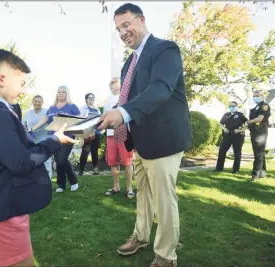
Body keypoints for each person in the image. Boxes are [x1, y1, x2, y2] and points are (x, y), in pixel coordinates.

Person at [0, 49, 77, 267]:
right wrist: (55, 141)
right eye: (22, 83)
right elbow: (21, 162)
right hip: (2, 209)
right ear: (2, 79)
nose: (24, 91)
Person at [98, 4, 192, 267]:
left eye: (126, 25)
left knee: (164, 200)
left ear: (141, 20)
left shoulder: (164, 49)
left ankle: (166, 256)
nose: (123, 32)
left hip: (164, 140)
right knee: (143, 195)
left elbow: (160, 90)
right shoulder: (130, 61)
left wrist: (123, 112)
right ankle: (141, 236)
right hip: (139, 142)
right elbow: (130, 96)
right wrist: (110, 117)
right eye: (118, 29)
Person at [31, 85, 80, 193]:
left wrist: (81, 135)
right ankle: (61, 184)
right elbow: (45, 119)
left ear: (67, 94)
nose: (60, 93)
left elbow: (79, 121)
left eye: (63, 92)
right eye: (59, 92)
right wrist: (33, 128)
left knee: (62, 159)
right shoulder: (52, 107)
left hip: (68, 137)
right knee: (58, 161)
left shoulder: (72, 106)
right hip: (55, 137)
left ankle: (73, 180)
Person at [104, 78, 134, 198]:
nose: (110, 85)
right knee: (113, 161)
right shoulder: (107, 101)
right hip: (110, 135)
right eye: (109, 83)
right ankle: (116, 187)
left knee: (127, 162)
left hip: (124, 133)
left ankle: (129, 188)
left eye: (112, 83)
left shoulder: (126, 96)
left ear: (120, 84)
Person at [22, 95, 53, 178]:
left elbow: (52, 124)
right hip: (32, 141)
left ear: (42, 103)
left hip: (45, 140)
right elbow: (23, 125)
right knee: (33, 160)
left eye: (39, 102)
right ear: (32, 102)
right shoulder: (28, 113)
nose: (37, 103)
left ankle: (48, 179)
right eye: (35, 101)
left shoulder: (47, 112)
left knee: (46, 161)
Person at [215, 101, 248, 173]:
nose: (231, 107)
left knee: (237, 152)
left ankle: (235, 170)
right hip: (227, 135)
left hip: (237, 136)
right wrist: (224, 128)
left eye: (233, 106)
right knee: (222, 151)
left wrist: (240, 130)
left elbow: (247, 124)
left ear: (236, 106)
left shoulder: (240, 115)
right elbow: (221, 123)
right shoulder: (226, 115)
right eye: (230, 106)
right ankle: (219, 168)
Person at [245, 90, 271, 182]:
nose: (255, 97)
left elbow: (260, 118)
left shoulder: (264, 106)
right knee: (260, 153)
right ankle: (262, 173)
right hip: (255, 132)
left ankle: (255, 175)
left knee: (258, 154)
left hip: (260, 132)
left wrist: (248, 122)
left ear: (262, 96)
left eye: (257, 95)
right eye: (254, 96)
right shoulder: (256, 107)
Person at [78, 93, 102, 175]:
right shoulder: (83, 108)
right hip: (87, 133)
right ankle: (81, 170)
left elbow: (100, 120)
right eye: (90, 98)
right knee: (85, 151)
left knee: (94, 151)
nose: (92, 99)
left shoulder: (97, 109)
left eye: (93, 98)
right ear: (86, 99)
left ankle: (95, 169)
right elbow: (80, 120)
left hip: (97, 133)